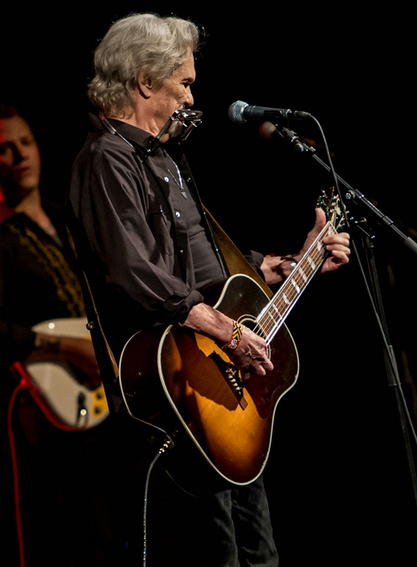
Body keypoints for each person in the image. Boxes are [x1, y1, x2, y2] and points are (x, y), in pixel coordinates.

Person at [67, 13, 352, 567]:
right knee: (213, 552)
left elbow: (213, 271)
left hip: (223, 385)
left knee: (259, 552)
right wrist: (230, 331)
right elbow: (137, 272)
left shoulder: (169, 160)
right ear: (146, 80)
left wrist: (299, 261)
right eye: (186, 83)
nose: (193, 96)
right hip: (178, 384)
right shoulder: (106, 158)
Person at [0, 104, 110, 566]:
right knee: (69, 538)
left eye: (25, 142)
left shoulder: (66, 221)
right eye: (2, 149)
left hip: (102, 398)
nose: (19, 154)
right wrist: (65, 347)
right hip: (47, 411)